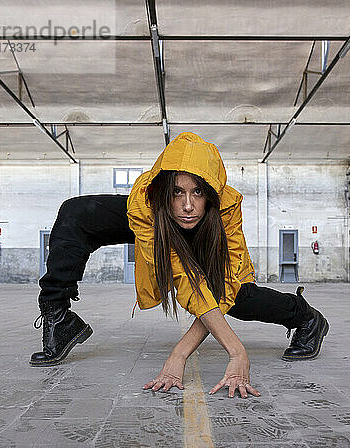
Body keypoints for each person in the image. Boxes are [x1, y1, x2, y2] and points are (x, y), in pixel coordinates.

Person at [30, 132, 329, 398]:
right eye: (178, 191)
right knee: (76, 212)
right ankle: (58, 317)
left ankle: (307, 318)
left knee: (237, 298)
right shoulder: (146, 204)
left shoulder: (225, 214)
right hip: (160, 220)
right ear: (164, 192)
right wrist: (193, 352)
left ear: (210, 193)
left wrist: (199, 353)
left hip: (210, 242)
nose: (188, 205)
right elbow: (180, 275)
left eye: (198, 191)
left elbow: (217, 294)